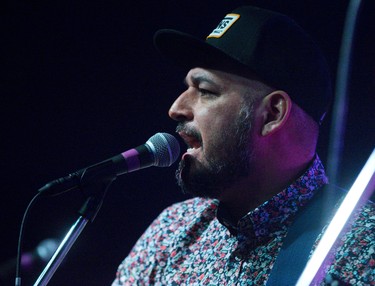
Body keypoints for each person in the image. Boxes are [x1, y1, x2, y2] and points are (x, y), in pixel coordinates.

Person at [112, 6, 375, 285]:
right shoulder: (171, 230)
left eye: (205, 91)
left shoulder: (359, 245)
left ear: (272, 114)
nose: (176, 108)